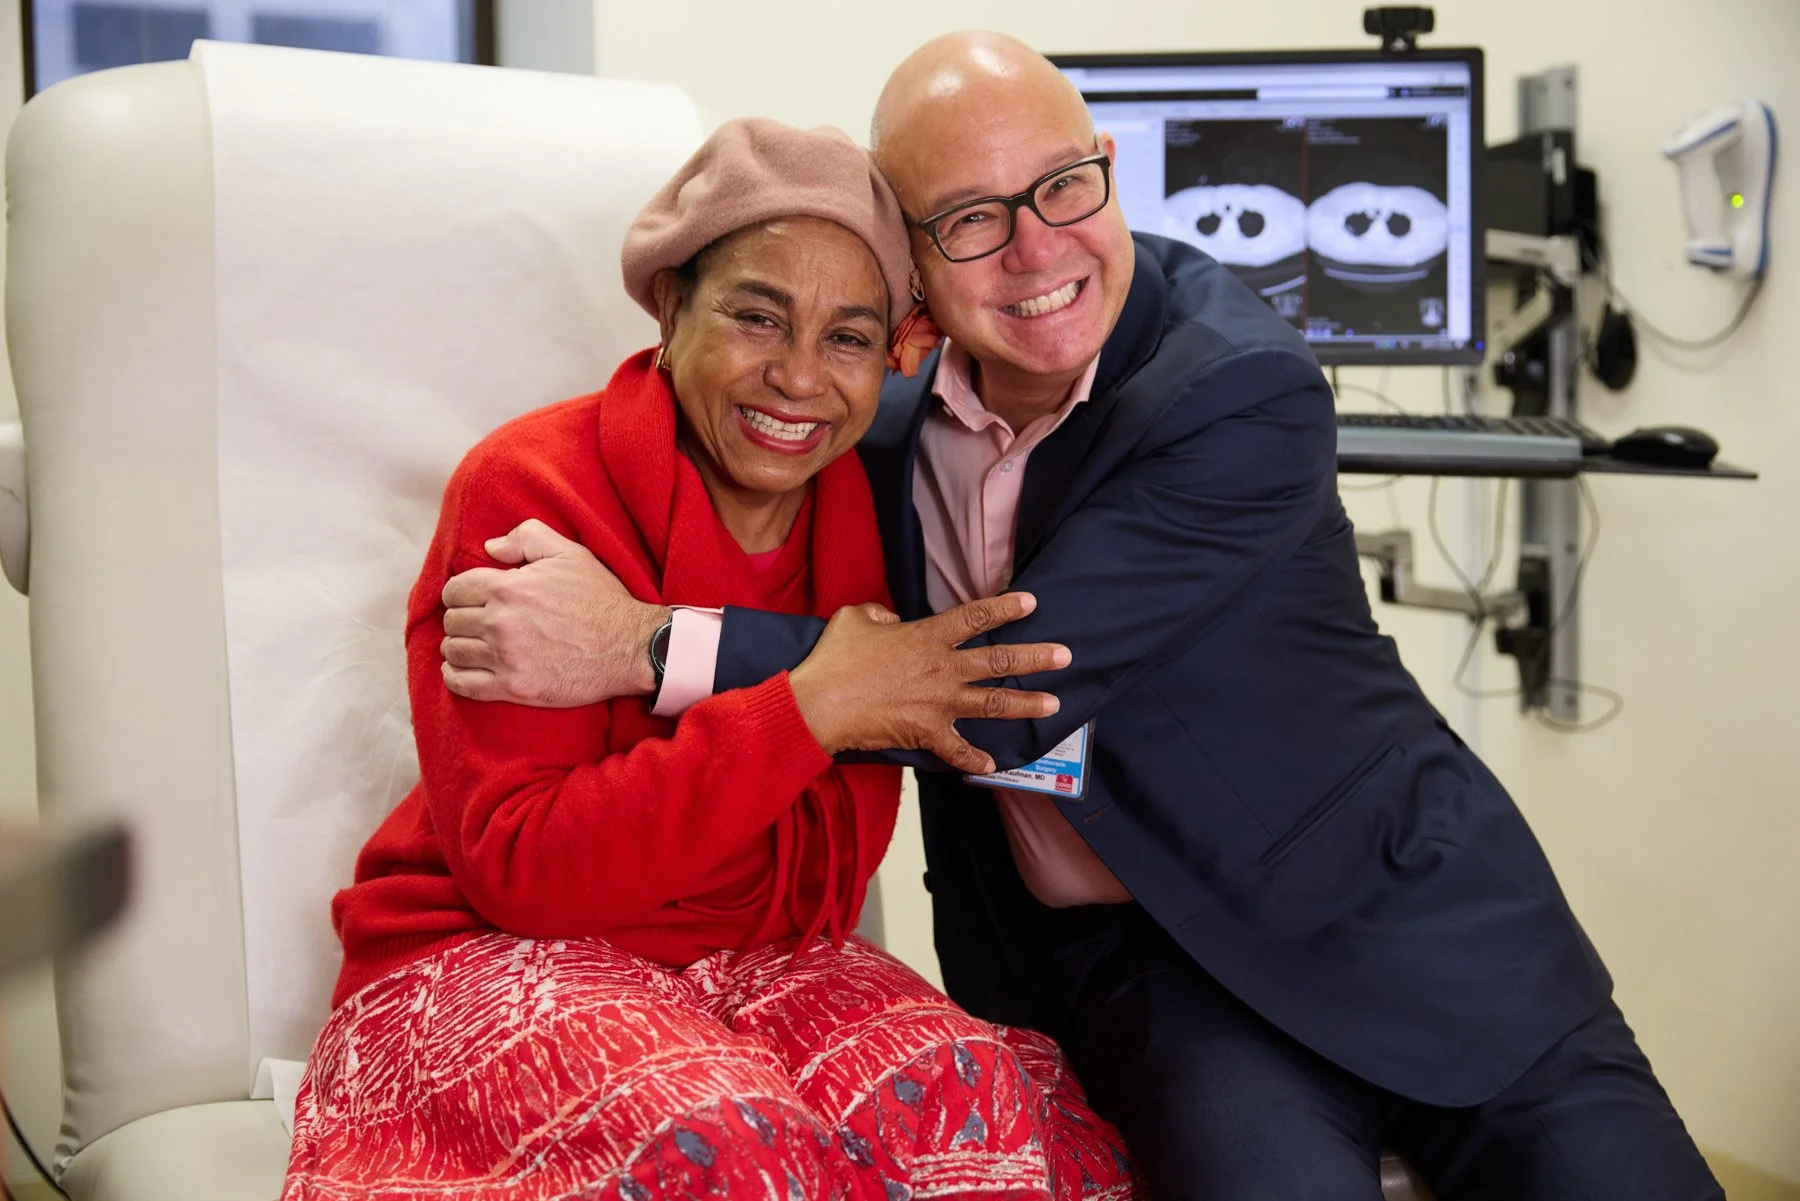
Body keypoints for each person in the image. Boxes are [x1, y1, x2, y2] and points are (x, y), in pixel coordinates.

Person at [437, 34, 1726, 1201]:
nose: (1039, 248)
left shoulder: (1240, 391)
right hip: (1147, 969)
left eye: (1063, 186)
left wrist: (642, 641)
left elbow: (1011, 689)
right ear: (916, 278)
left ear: (1107, 166)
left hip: (1399, 923)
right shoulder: (864, 434)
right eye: (972, 219)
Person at [281, 117, 1142, 1201]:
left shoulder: (862, 506)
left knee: (975, 1102)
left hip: (767, 964)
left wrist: (687, 780)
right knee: (728, 1142)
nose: (798, 378)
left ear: (892, 354)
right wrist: (811, 709)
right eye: (756, 317)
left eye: (847, 338)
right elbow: (532, 869)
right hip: (482, 950)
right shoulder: (529, 485)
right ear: (671, 306)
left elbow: (834, 864)